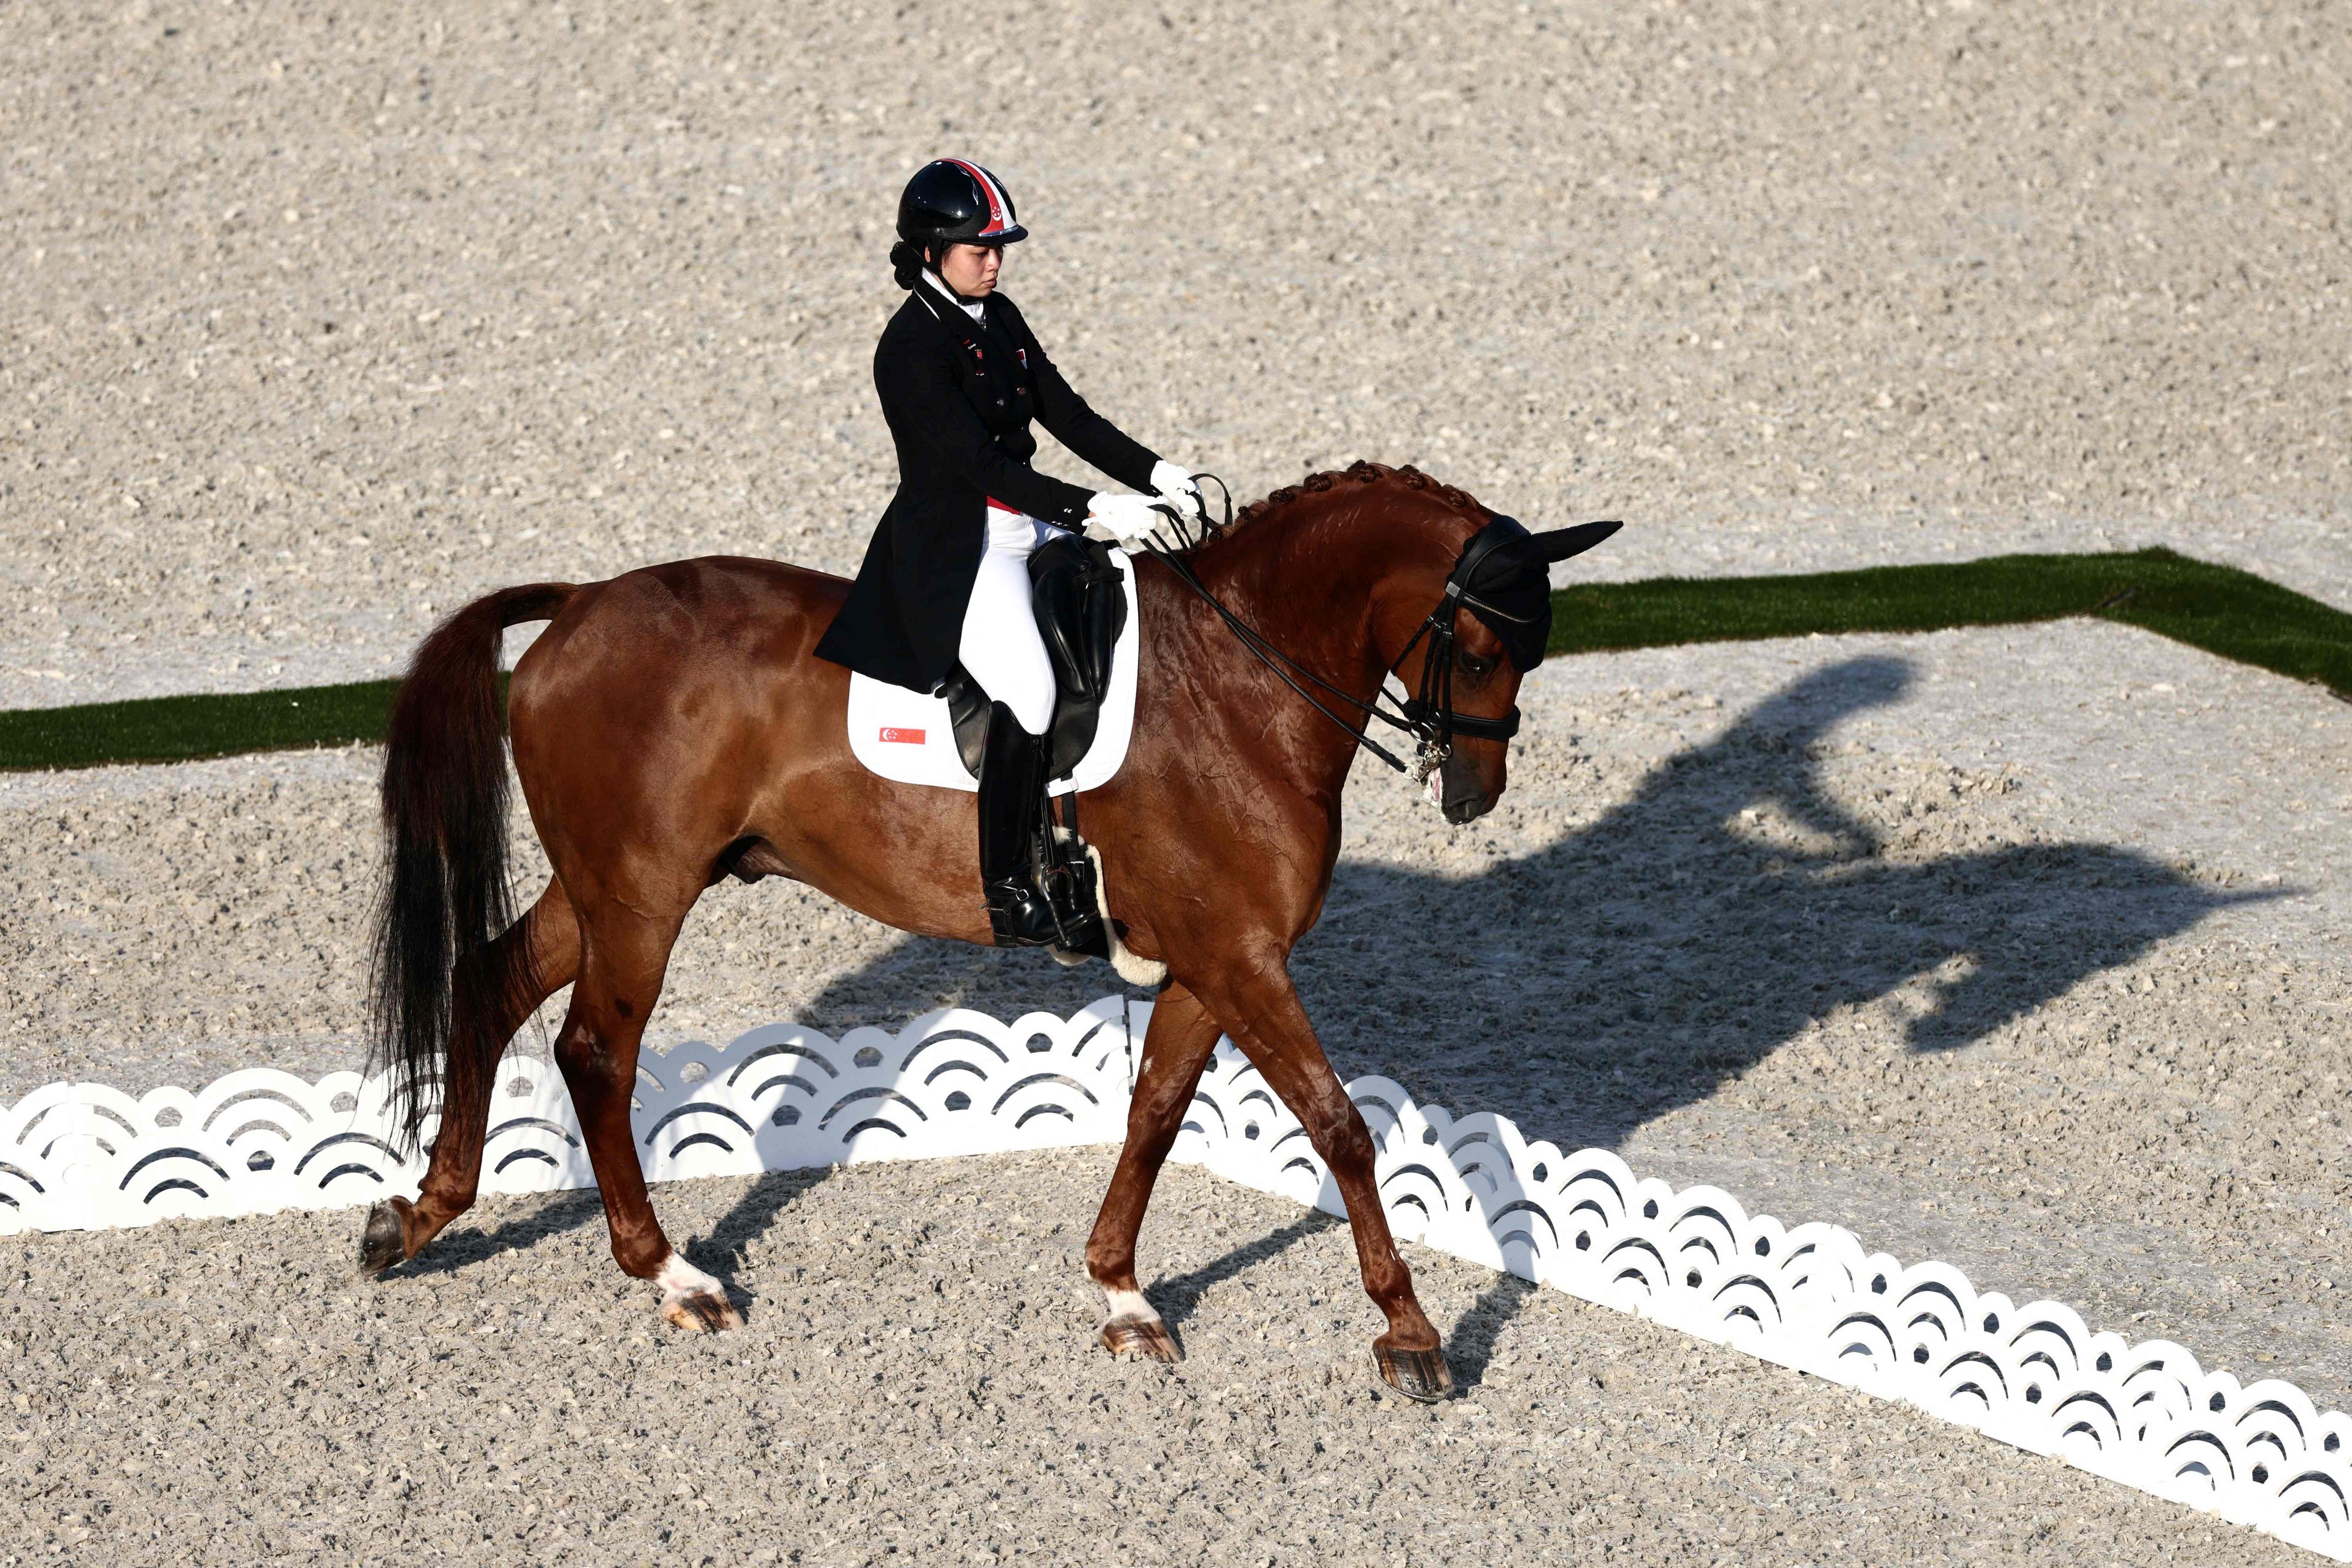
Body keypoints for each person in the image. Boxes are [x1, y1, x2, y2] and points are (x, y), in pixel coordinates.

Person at [814, 158, 1203, 947]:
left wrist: (1158, 472)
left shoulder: (1001, 316)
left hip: (1031, 523)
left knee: (1130, 626)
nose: (994, 261)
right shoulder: (909, 349)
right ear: (930, 252)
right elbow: (981, 469)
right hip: (961, 547)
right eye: (978, 249)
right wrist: (1094, 508)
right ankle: (1010, 887)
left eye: (1000, 248)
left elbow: (1068, 414)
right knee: (1028, 691)